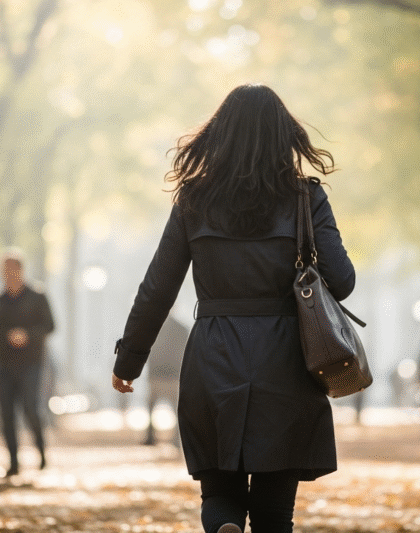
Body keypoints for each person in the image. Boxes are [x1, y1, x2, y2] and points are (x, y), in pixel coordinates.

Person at [111, 84, 355, 533]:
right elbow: (343, 281)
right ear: (286, 137)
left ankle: (224, 525)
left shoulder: (193, 200)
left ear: (218, 136)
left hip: (213, 357)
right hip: (286, 362)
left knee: (219, 491)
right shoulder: (306, 198)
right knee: (274, 511)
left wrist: (129, 359)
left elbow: (157, 289)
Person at [0, 249, 55, 477]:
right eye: (5, 270)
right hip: (3, 365)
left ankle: (41, 452)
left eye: (13, 269)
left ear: (21, 270)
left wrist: (27, 335)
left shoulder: (38, 296)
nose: (9, 274)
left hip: (32, 364)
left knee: (31, 409)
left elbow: (50, 326)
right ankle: (13, 463)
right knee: (6, 414)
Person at [142, 314, 188, 447]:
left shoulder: (153, 328)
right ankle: (177, 440)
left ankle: (151, 437)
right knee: (177, 409)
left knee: (152, 407)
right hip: (174, 375)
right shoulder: (182, 329)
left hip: (158, 374)